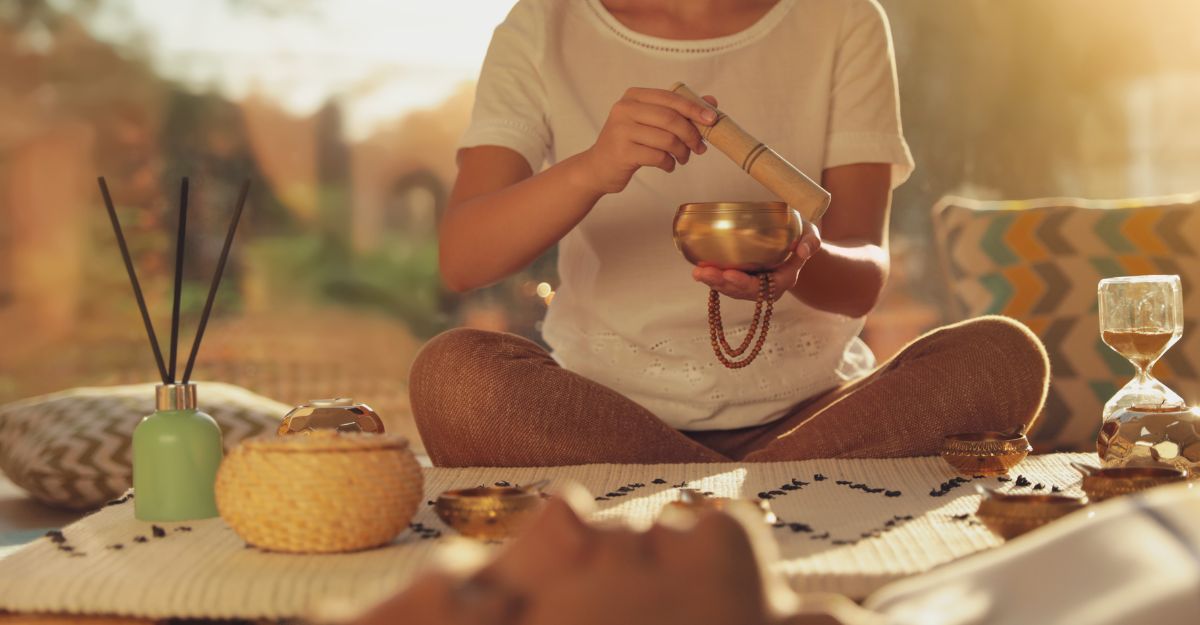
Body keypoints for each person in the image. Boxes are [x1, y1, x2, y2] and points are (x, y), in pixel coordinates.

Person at [411, 0, 1049, 467]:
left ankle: (682, 492)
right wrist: (592, 169)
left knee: (1001, 356)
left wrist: (805, 261)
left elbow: (862, 279)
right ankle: (765, 487)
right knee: (452, 377)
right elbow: (463, 260)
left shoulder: (843, 18)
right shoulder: (541, 26)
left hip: (815, 412)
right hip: (599, 413)